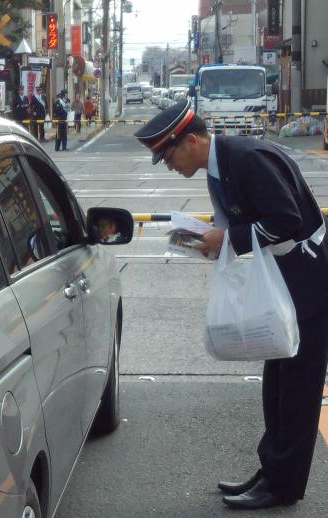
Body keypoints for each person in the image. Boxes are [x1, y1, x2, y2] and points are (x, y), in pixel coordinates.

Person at [134, 99, 328, 511]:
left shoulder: (247, 159)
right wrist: (210, 240)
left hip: (308, 278)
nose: (168, 166)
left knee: (297, 387)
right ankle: (271, 471)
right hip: (285, 275)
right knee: (276, 381)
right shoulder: (223, 165)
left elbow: (287, 220)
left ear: (190, 140)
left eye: (167, 156)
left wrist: (228, 240)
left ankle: (283, 485)